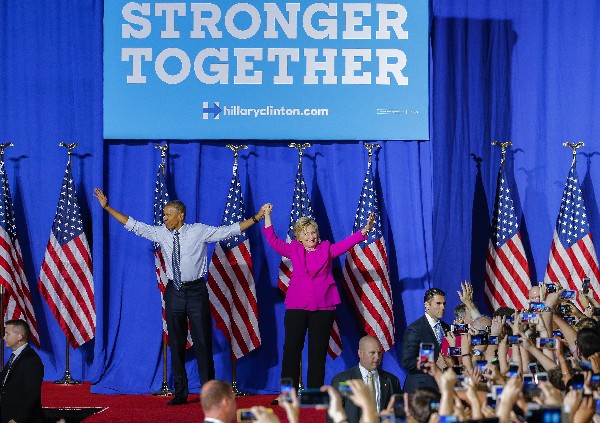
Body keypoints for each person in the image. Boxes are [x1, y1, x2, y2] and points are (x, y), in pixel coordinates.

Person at [94, 188, 267, 405]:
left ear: (180, 215)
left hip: (196, 292)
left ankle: (209, 393)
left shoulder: (199, 231)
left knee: (203, 343)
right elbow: (134, 225)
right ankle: (181, 392)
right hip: (173, 293)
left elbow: (228, 231)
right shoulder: (160, 233)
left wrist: (256, 218)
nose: (164, 218)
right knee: (175, 343)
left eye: (168, 214)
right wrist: (107, 207)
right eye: (164, 215)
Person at [261, 204, 375, 390]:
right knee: (291, 350)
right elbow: (273, 240)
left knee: (317, 351)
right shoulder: (294, 250)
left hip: (324, 307)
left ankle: (313, 392)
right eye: (306, 234)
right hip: (297, 306)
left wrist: (365, 230)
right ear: (299, 237)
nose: (311, 237)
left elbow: (347, 243)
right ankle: (287, 393)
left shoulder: (327, 249)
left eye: (313, 232)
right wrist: (267, 216)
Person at [328, 335, 402, 423]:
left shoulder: (391, 381)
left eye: (379, 353)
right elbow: (334, 413)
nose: (377, 357)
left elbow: (398, 413)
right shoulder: (344, 381)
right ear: (360, 353)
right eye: (372, 353)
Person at [400, 288, 450, 393]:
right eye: (438, 303)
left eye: (444, 303)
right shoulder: (415, 329)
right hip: (421, 389)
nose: (443, 307)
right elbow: (407, 361)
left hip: (442, 385)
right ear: (427, 305)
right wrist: (434, 363)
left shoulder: (446, 328)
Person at [0, 319, 44, 423]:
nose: (4, 337)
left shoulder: (31, 360)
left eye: (7, 334)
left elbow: (31, 394)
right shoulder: (15, 356)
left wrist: (17, 419)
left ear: (19, 336)